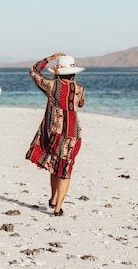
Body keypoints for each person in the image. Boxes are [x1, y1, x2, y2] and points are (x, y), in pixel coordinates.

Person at [26, 53, 86, 216]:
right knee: (66, 168)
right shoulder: (79, 88)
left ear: (57, 72)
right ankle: (58, 207)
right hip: (73, 132)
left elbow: (34, 71)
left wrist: (48, 58)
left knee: (54, 164)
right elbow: (80, 103)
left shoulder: (51, 86)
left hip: (55, 132)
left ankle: (53, 198)